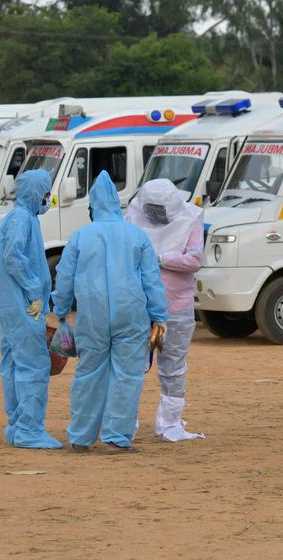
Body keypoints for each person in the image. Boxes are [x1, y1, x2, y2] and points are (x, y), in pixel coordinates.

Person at [52, 171, 169, 453]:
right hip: (132, 316)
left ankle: (81, 436)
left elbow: (64, 277)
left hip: (92, 318)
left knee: (89, 373)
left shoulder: (80, 237)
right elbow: (151, 280)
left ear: (93, 206)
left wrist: (60, 310)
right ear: (117, 205)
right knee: (127, 377)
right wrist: (159, 316)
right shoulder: (136, 235)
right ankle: (116, 438)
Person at [126, 178, 206, 442]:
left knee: (173, 366)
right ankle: (126, 421)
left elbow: (194, 260)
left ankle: (170, 423)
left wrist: (160, 258)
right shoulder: (132, 216)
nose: (157, 214)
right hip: (140, 304)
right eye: (153, 208)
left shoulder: (191, 218)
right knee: (132, 365)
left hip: (176, 305)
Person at [0, 168, 63, 449]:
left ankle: (16, 425)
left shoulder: (21, 217)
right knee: (34, 364)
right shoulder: (22, 219)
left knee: (13, 363)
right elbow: (14, 257)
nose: (47, 199)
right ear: (36, 192)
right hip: (24, 306)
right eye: (45, 194)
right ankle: (29, 429)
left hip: (13, 305)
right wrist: (34, 291)